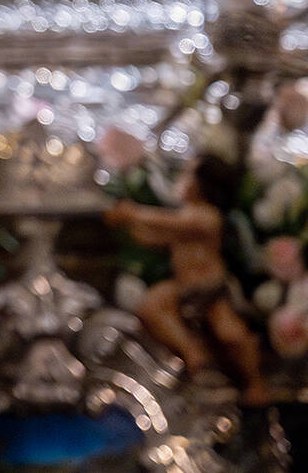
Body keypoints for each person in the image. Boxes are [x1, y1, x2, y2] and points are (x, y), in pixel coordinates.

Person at [106, 156, 269, 405]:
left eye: (189, 175)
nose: (183, 181)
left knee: (231, 334)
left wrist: (133, 213)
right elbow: (153, 235)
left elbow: (169, 223)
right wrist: (126, 225)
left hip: (209, 291)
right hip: (183, 289)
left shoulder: (207, 216)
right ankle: (192, 351)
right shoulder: (185, 214)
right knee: (151, 306)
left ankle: (254, 382)